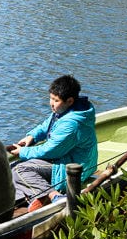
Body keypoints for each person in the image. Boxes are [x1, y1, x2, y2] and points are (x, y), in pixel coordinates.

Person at [7, 75, 97, 210]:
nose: (51, 103)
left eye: (56, 100)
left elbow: (51, 150)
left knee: (20, 170)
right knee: (11, 167)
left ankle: (54, 196)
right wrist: (32, 136)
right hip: (63, 158)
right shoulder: (65, 110)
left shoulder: (72, 124)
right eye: (51, 98)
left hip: (74, 167)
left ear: (70, 101)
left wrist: (23, 152)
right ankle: (27, 198)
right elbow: (46, 126)